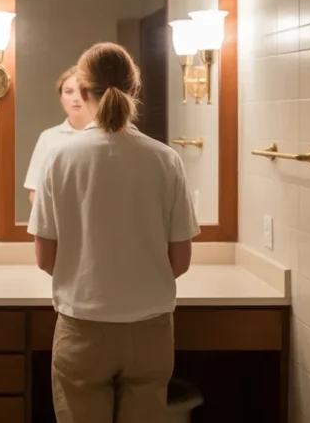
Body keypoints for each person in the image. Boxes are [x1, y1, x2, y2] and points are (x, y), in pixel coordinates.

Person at [28, 42, 199, 423]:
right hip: (150, 328)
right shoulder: (164, 159)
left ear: (83, 91)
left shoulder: (59, 158)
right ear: (135, 90)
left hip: (83, 326)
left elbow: (45, 258)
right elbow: (181, 260)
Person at [23, 66, 94, 204]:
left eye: (83, 91)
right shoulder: (49, 138)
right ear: (61, 98)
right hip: (58, 219)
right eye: (69, 92)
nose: (76, 98)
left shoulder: (106, 135)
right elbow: (35, 190)